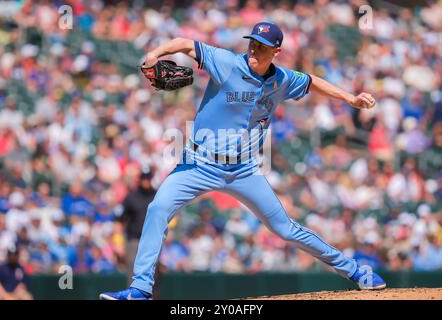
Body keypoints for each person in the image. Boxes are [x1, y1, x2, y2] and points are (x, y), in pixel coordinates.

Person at [100, 21, 386, 300]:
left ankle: (356, 272)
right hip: (200, 163)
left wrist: (349, 98)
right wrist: (156, 53)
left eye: (261, 46)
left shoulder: (282, 80)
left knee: (285, 228)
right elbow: (186, 45)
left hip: (244, 169)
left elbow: (312, 82)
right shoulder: (226, 63)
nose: (253, 49)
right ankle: (140, 289)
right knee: (159, 207)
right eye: (252, 43)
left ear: (276, 50)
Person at [118, 169, 161, 298]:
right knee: (134, 274)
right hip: (134, 240)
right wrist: (118, 242)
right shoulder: (131, 196)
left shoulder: (156, 194)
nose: (146, 181)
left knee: (155, 275)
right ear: (140, 179)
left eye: (148, 178)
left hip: (153, 240)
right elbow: (120, 220)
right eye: (144, 178)